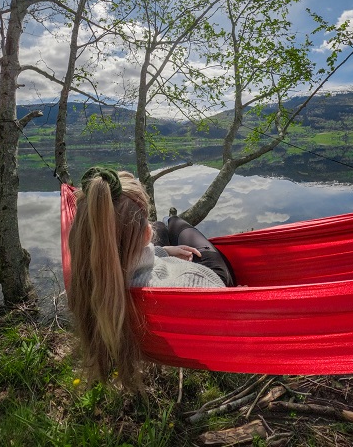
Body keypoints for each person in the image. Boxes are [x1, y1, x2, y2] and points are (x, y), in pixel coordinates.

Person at [67, 166, 235, 389]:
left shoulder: (90, 279)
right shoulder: (191, 280)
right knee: (175, 224)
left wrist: (161, 251)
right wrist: (236, 292)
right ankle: (171, 220)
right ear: (146, 235)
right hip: (207, 277)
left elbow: (120, 260)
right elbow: (223, 303)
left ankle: (162, 229)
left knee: (160, 228)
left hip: (148, 264)